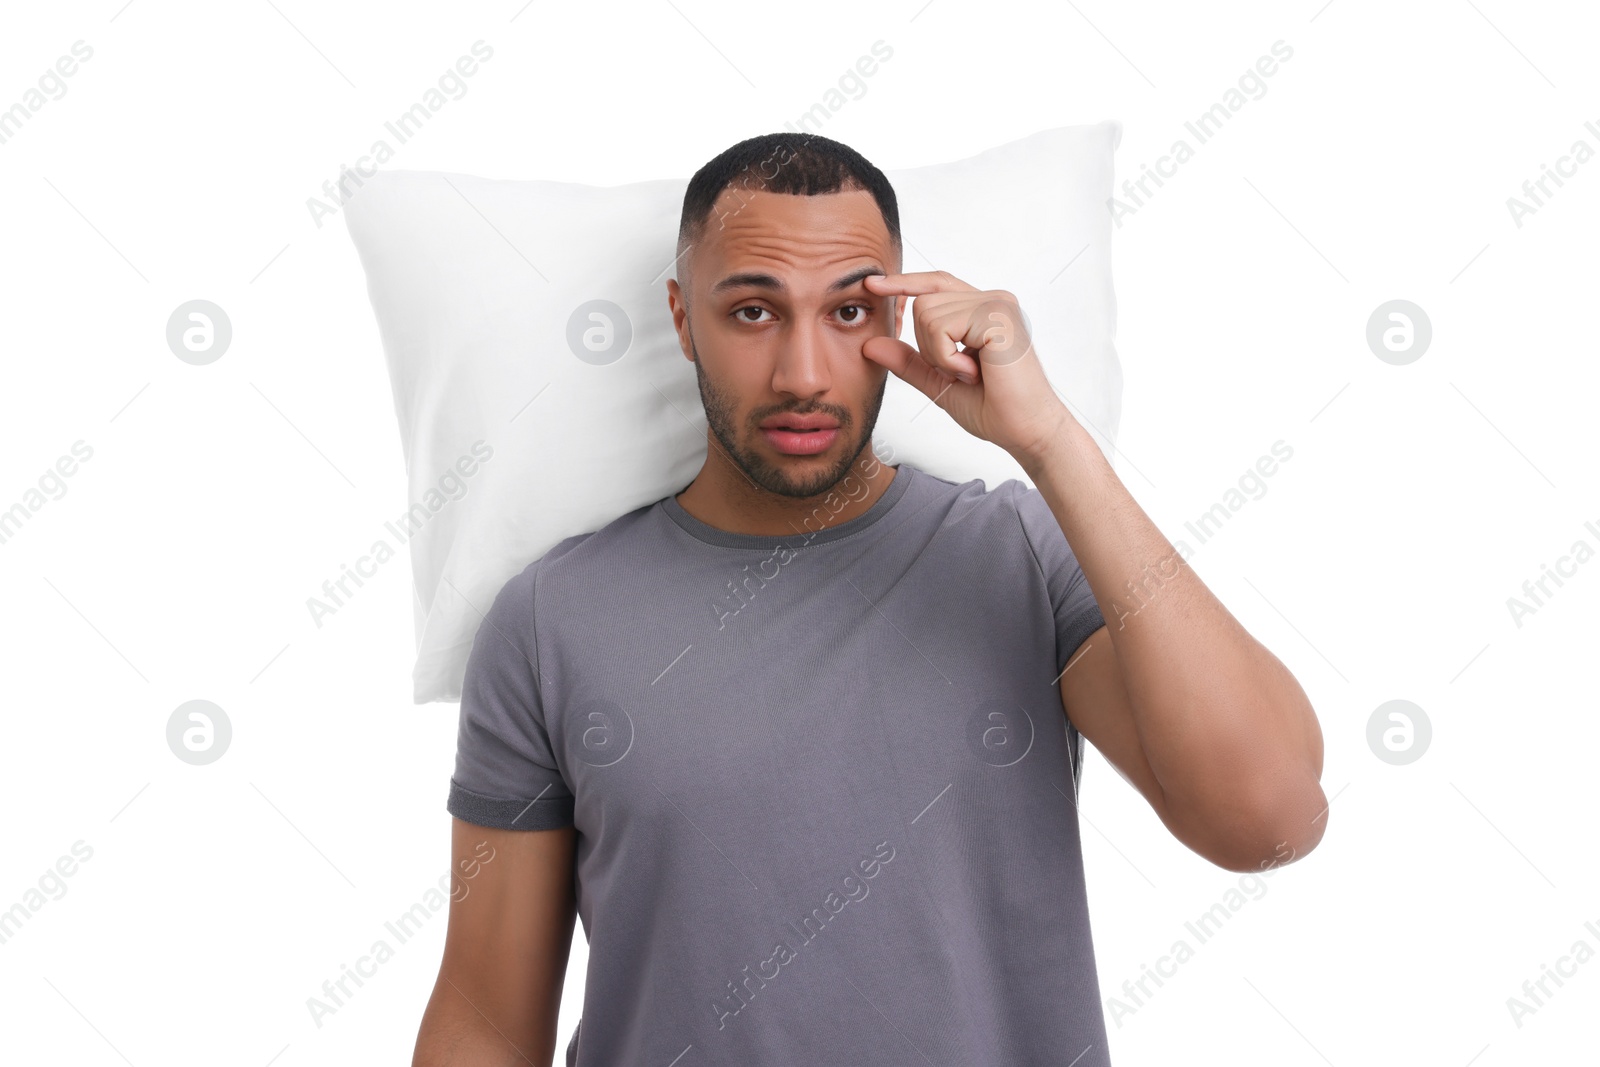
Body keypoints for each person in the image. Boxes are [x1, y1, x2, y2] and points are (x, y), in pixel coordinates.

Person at [411, 132, 1327, 1067]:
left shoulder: (1018, 556)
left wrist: (1050, 440)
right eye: (755, 311)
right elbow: (486, 1016)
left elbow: (1266, 820)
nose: (804, 373)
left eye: (850, 309)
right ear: (684, 320)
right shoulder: (550, 622)